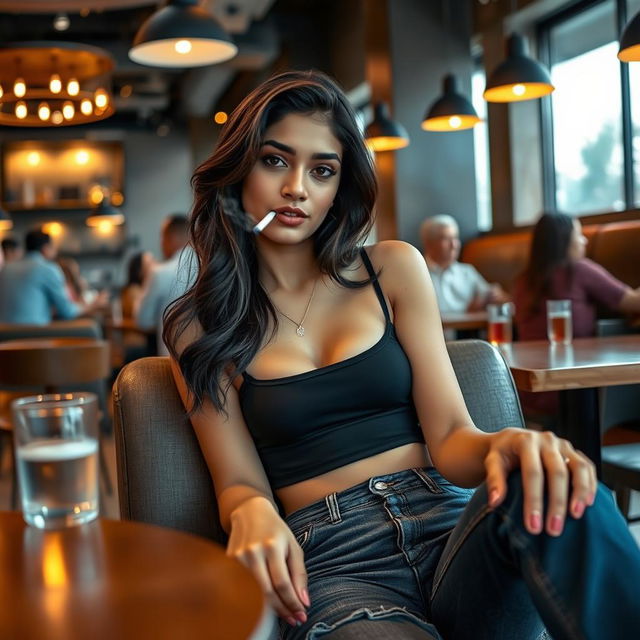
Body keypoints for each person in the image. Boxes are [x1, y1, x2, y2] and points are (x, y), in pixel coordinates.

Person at [163, 70, 640, 640]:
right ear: (239, 168)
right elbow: (238, 480)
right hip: (335, 563)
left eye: (322, 170)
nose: (297, 188)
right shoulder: (199, 324)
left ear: (340, 185)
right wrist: (250, 511)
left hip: (452, 522)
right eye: (274, 161)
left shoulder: (392, 268)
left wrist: (507, 443)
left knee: (568, 488)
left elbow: (453, 438)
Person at [513, 212, 640, 420]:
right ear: (565, 241)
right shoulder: (579, 270)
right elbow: (634, 302)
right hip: (571, 391)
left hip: (524, 393)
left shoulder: (522, 280)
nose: (585, 241)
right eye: (579, 235)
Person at [0, 229, 107, 324]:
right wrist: (93, 305)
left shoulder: (6, 268)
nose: (55, 251)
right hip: (31, 335)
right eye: (53, 247)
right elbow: (67, 311)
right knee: (91, 329)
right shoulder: (48, 269)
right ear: (45, 248)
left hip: (4, 335)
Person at [421, 215, 508, 313]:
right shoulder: (417, 274)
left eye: (455, 238)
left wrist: (496, 296)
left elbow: (496, 297)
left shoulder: (467, 271)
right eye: (445, 238)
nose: (454, 245)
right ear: (429, 244)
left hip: (467, 328)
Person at [136, 214, 194, 355]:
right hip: (214, 363)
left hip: (171, 363)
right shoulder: (213, 268)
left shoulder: (160, 273)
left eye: (163, 238)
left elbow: (142, 321)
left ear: (172, 238)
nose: (161, 244)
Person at [120, 250, 156, 320]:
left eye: (155, 261)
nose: (156, 266)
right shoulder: (133, 290)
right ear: (139, 271)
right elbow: (139, 315)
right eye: (150, 264)